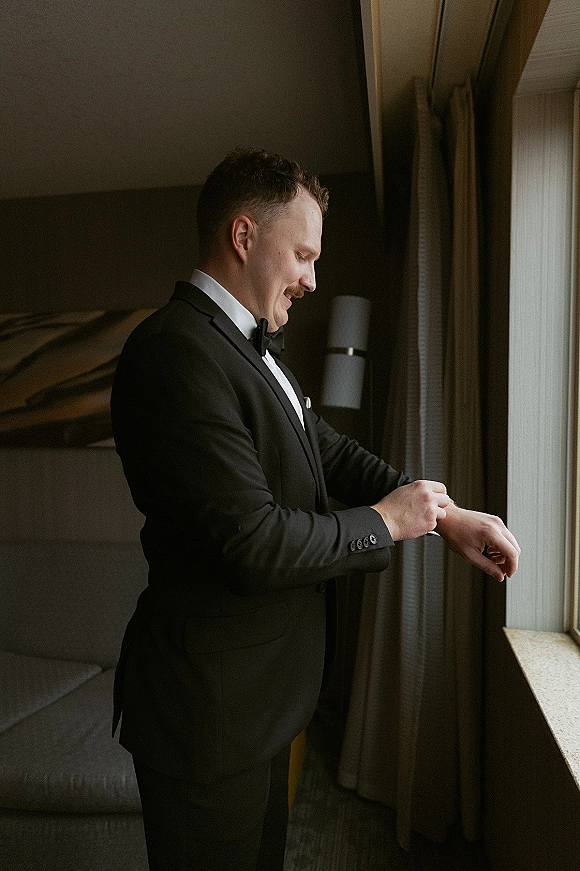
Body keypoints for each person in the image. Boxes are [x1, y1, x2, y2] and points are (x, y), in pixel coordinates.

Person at [110, 148, 520, 871]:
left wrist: (443, 513)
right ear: (243, 236)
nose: (312, 278)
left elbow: (327, 451)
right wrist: (388, 520)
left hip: (260, 707)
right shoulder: (175, 352)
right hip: (208, 720)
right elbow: (254, 542)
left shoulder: (255, 352)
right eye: (303, 253)